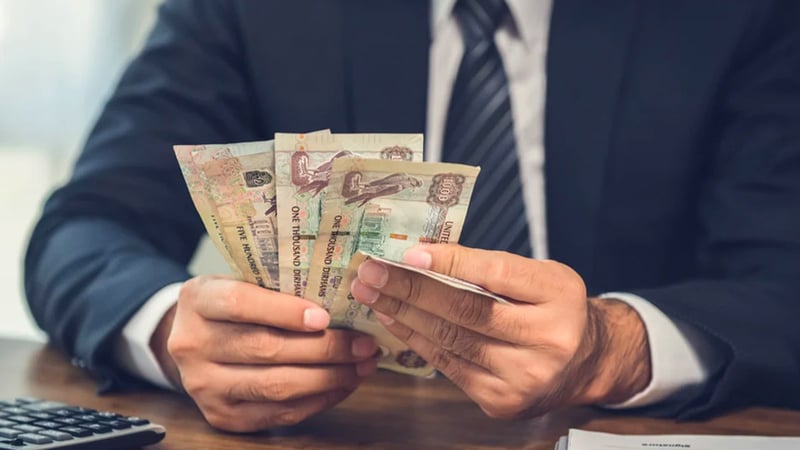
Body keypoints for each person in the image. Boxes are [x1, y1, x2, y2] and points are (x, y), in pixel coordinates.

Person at [24, 0, 800, 432]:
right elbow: (85, 226)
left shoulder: (740, 18)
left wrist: (617, 347)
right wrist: (171, 328)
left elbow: (784, 278)